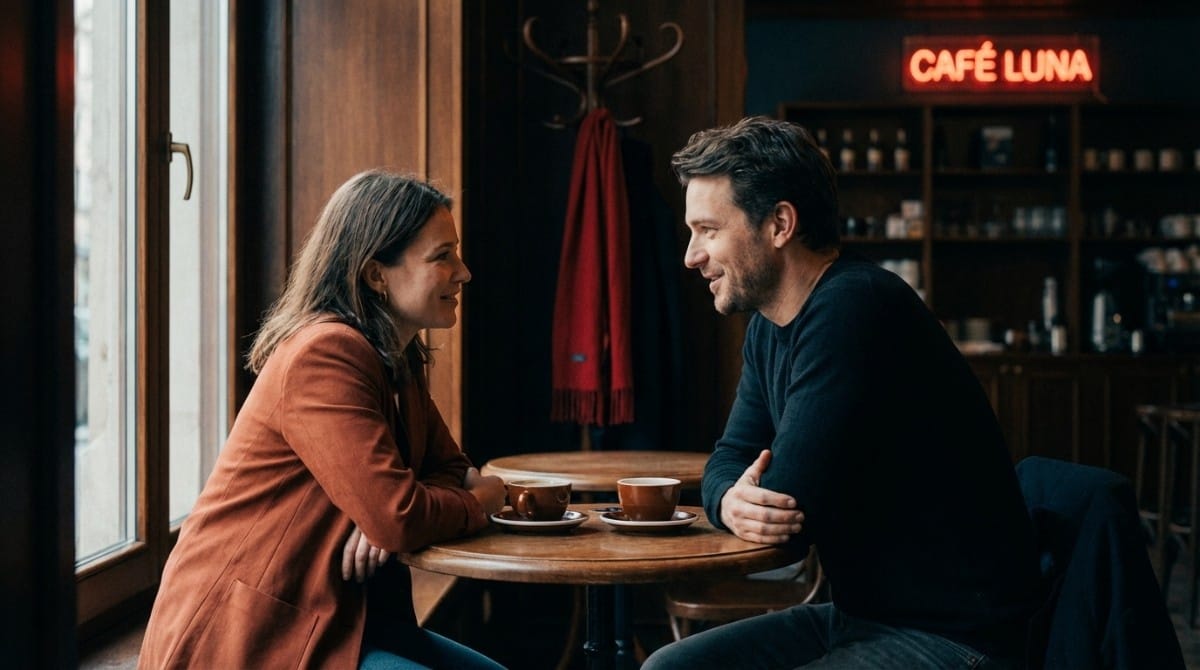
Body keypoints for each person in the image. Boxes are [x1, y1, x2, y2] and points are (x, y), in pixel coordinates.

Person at [642, 117, 1042, 669]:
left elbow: (789, 505)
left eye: (709, 230)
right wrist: (727, 500)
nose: (691, 255)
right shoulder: (770, 324)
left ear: (780, 223)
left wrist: (736, 498)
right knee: (668, 667)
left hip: (954, 635)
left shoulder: (853, 308)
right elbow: (730, 457)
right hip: (858, 618)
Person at [138, 170, 508, 669]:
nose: (463, 272)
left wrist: (382, 515)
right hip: (253, 637)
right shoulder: (325, 353)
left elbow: (443, 468)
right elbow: (404, 513)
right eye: (442, 257)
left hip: (338, 619)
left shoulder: (396, 355)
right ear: (377, 274)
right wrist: (476, 501)